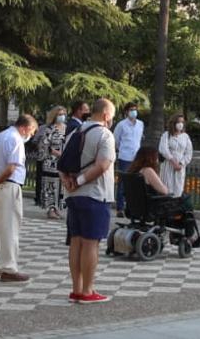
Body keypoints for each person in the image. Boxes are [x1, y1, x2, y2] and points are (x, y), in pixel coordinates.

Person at [60, 98, 116, 304]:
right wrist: (81, 181)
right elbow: (102, 165)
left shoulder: (76, 132)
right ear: (106, 115)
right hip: (95, 194)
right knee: (91, 243)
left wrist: (68, 182)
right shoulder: (104, 134)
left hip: (73, 196)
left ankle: (76, 289)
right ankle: (87, 290)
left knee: (76, 241)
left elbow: (62, 162)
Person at [0, 114, 37, 282]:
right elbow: (11, 167)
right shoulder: (16, 139)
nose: (31, 135)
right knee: (10, 229)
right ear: (25, 128)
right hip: (8, 186)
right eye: (32, 131)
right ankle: (9, 268)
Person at [113, 102, 144, 217]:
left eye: (135, 109)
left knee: (135, 183)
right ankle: (120, 208)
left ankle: (132, 207)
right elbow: (116, 140)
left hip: (136, 157)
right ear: (126, 112)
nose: (133, 112)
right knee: (123, 183)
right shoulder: (121, 125)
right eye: (131, 110)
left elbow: (139, 139)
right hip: (125, 156)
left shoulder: (140, 124)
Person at [38, 106, 67, 219]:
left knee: (61, 186)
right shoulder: (49, 129)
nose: (62, 116)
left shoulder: (66, 128)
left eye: (63, 113)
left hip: (63, 163)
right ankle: (50, 208)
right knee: (51, 186)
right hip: (51, 162)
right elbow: (43, 145)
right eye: (59, 114)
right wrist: (53, 152)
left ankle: (58, 208)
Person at [159, 114, 193, 198]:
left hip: (180, 167)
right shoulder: (166, 135)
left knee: (178, 189)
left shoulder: (185, 137)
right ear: (173, 123)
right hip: (168, 165)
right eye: (178, 122)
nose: (180, 124)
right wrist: (173, 161)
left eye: (182, 122)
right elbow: (163, 149)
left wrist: (181, 163)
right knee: (167, 188)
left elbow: (189, 152)